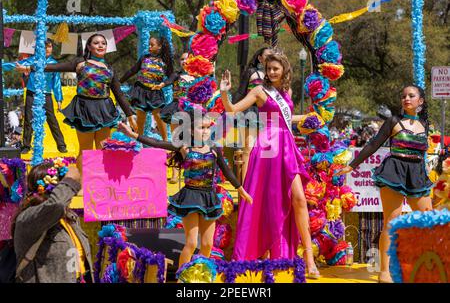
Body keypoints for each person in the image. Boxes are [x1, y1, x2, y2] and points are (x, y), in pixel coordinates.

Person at [219, 52, 320, 279]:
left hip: (287, 146)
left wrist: (309, 119)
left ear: (284, 69)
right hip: (268, 148)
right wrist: (225, 93)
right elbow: (233, 110)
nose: (272, 72)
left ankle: (309, 259)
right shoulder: (258, 91)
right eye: (269, 69)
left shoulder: (287, 93)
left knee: (299, 199)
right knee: (268, 202)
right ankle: (264, 253)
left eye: (276, 68)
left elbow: (286, 119)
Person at [118, 108, 252, 270]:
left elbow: (227, 171)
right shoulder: (184, 147)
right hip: (190, 198)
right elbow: (157, 143)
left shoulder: (214, 149)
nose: (205, 131)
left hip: (209, 198)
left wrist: (242, 190)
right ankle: (183, 276)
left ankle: (199, 275)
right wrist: (133, 135)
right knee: (191, 242)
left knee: (208, 244)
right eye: (201, 128)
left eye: (207, 127)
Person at [335, 85, 433, 283]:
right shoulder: (394, 121)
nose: (406, 99)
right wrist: (352, 166)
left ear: (420, 101)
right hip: (394, 171)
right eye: (404, 96)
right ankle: (384, 272)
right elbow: (373, 144)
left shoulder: (425, 123)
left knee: (428, 221)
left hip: (417, 174)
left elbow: (421, 153)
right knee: (392, 220)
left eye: (411, 96)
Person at [17, 34, 137, 174]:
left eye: (103, 43)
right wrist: (30, 68)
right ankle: (83, 182)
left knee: (102, 148)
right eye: (96, 43)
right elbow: (55, 67)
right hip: (84, 109)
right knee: (85, 150)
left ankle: (97, 181)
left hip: (104, 110)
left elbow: (119, 94)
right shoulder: (81, 63)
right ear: (89, 47)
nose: (100, 45)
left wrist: (129, 114)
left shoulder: (110, 68)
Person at [12, 159, 93, 283]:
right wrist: (70, 180)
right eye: (64, 188)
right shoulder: (28, 218)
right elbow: (57, 204)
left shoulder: (69, 217)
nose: (70, 194)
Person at [4, 39, 67, 154]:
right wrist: (3, 65)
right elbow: (14, 65)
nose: (47, 49)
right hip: (31, 94)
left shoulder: (54, 63)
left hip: (46, 94)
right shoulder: (32, 60)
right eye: (44, 47)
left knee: (52, 119)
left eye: (49, 47)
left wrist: (59, 99)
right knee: (29, 119)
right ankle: (26, 146)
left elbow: (56, 82)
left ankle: (61, 145)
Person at [120, 36, 174, 141]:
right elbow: (132, 71)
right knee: (140, 118)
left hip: (155, 92)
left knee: (158, 116)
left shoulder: (165, 61)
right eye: (149, 44)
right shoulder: (144, 58)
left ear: (159, 47)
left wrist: (164, 84)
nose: (149, 46)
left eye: (152, 45)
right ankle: (138, 141)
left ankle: (165, 142)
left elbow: (172, 76)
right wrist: (118, 82)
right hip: (141, 91)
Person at [232, 47, 273, 181]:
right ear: (260, 58)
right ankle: (244, 184)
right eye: (267, 56)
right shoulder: (251, 72)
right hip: (250, 113)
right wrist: (231, 109)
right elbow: (240, 92)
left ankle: (260, 181)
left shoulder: (274, 74)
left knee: (266, 151)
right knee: (248, 149)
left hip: (267, 114)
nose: (269, 58)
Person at [159, 52, 193, 183]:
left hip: (191, 109)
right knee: (175, 140)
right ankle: (174, 172)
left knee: (189, 141)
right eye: (182, 59)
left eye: (187, 59)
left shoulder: (197, 76)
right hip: (176, 108)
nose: (184, 61)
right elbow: (168, 81)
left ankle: (189, 170)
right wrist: (162, 84)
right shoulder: (177, 75)